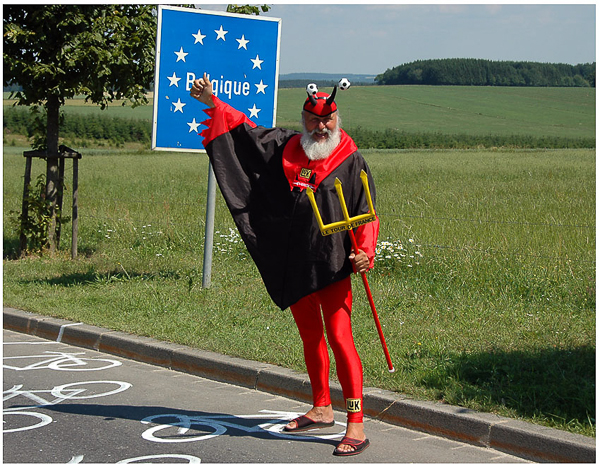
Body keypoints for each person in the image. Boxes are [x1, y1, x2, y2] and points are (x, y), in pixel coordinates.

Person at [190, 73, 379, 457]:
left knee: (340, 337)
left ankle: (356, 423)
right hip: (294, 260)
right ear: (304, 119)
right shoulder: (287, 145)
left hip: (333, 263)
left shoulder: (350, 158)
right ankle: (322, 407)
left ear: (337, 119)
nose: (321, 127)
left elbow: (366, 211)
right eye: (314, 120)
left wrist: (365, 251)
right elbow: (247, 132)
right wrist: (213, 102)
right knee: (310, 335)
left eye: (327, 120)